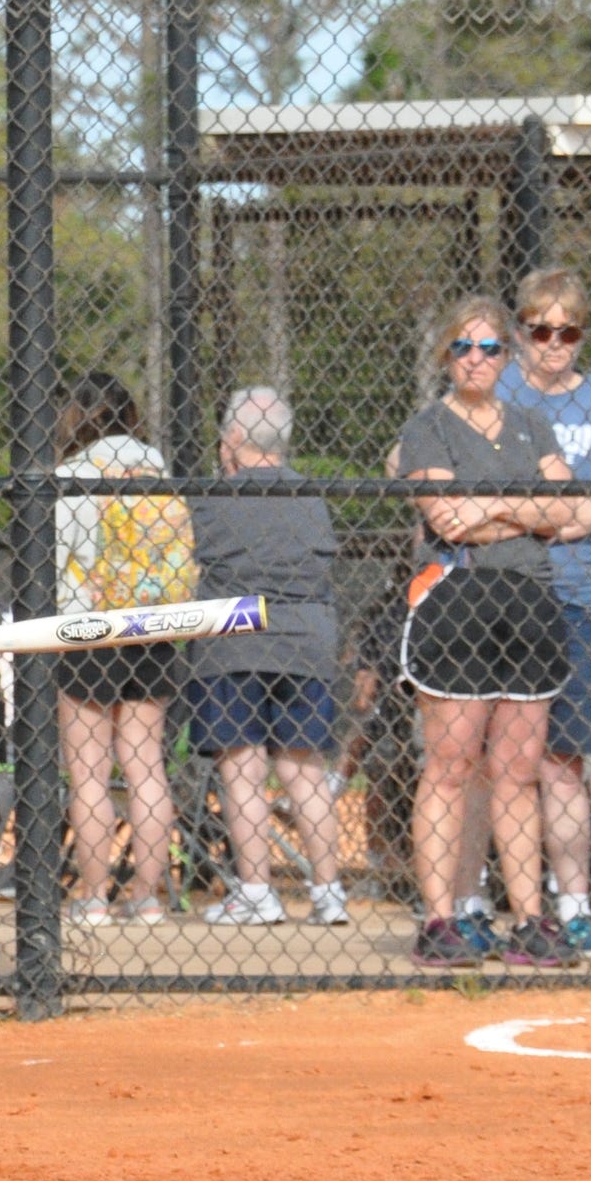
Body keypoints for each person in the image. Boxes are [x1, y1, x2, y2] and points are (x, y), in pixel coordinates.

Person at [397, 298, 591, 969]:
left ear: (507, 356)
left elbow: (564, 511)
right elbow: (449, 521)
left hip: (530, 597)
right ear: (445, 356)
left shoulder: (532, 423)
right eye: (463, 347)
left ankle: (531, 920)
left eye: (489, 348)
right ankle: (439, 919)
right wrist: (522, 509)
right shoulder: (428, 428)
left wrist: (495, 503)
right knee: (451, 765)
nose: (476, 358)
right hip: (461, 595)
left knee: (517, 771)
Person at [493, 268, 591, 959]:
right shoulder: (491, 386)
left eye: (567, 331)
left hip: (577, 591)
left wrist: (519, 518)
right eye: (540, 330)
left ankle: (572, 906)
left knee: (562, 761)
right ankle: (472, 908)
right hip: (499, 592)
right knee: (490, 758)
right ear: (519, 330)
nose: (553, 344)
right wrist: (546, 514)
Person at [182, 386, 348, 927]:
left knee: (243, 770)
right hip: (306, 639)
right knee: (304, 771)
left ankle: (257, 890)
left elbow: (190, 563)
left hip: (235, 640)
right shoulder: (310, 497)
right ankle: (329, 893)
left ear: (231, 439)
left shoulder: (213, 497)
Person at [53, 373, 194, 923]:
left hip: (86, 630)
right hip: (150, 628)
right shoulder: (155, 469)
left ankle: (92, 896)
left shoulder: (69, 476)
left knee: (89, 771)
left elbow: (51, 552)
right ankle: (148, 896)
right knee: (145, 764)